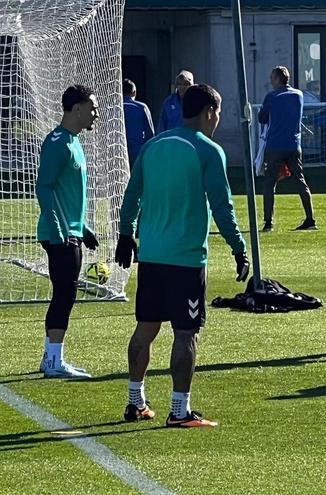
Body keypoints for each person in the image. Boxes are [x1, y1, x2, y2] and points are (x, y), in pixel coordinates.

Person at [115, 84, 250, 427]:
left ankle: (135, 402)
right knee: (186, 333)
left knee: (145, 329)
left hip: (152, 256)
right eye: (217, 113)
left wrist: (125, 235)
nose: (217, 120)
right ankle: (179, 410)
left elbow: (131, 196)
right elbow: (222, 206)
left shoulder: (153, 146)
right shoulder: (209, 151)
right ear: (209, 112)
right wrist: (239, 248)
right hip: (186, 260)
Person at [36, 84, 100, 379]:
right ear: (77, 108)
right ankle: (54, 362)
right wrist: (60, 228)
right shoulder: (58, 142)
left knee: (64, 293)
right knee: (65, 294)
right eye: (92, 107)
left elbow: (66, 192)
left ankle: (50, 357)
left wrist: (83, 228)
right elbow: (44, 187)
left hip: (71, 230)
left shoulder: (74, 141)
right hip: (59, 234)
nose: (96, 114)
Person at [258, 66, 314, 232]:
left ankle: (268, 222)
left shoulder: (271, 97)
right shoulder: (299, 95)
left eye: (271, 77)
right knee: (300, 181)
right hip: (294, 145)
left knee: (269, 183)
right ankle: (310, 219)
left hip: (275, 145)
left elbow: (262, 118)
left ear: (276, 79)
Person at [122, 78, 154, 166]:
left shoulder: (114, 108)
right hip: (137, 153)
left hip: (118, 153)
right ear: (134, 92)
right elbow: (150, 134)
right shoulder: (141, 107)